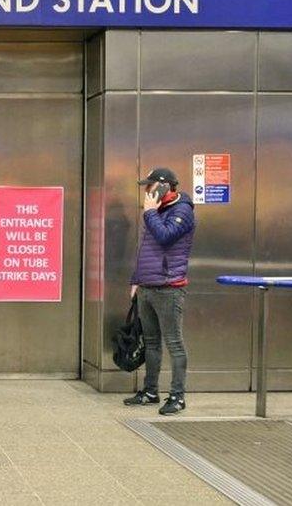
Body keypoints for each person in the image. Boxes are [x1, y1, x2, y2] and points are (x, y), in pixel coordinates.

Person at [123, 167, 196, 416]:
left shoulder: (182, 211)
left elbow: (165, 237)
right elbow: (147, 250)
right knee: (151, 342)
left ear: (165, 187)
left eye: (150, 186)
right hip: (147, 286)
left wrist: (150, 213)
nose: (146, 191)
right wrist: (137, 279)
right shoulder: (156, 213)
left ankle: (177, 396)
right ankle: (150, 391)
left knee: (174, 343)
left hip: (169, 288)